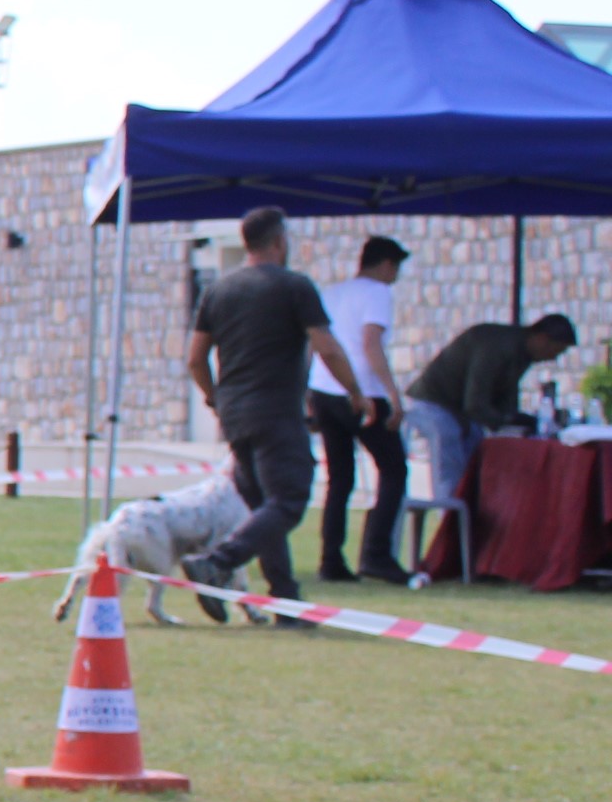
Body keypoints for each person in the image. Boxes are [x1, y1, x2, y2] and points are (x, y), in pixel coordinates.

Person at [181, 207, 369, 617]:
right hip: (276, 410)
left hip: (234, 413)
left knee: (264, 507)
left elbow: (196, 358)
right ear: (279, 241)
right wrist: (356, 390)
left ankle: (286, 603)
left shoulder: (218, 291)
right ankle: (217, 563)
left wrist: (214, 398)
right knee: (288, 499)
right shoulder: (294, 287)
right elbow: (328, 346)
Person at [406, 311, 581, 537]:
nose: (554, 357)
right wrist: (507, 421)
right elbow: (476, 402)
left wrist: (522, 420)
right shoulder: (498, 347)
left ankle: (471, 538)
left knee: (478, 466)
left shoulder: (521, 353)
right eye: (557, 350)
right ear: (542, 339)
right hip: (434, 403)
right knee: (451, 470)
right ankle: (449, 538)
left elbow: (502, 403)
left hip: (463, 412)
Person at [306, 235, 407, 584]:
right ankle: (377, 554)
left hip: (325, 388)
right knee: (394, 471)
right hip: (362, 391)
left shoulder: (333, 293)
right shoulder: (378, 293)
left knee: (340, 479)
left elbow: (315, 341)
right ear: (385, 264)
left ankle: (330, 559)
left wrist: (307, 389)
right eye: (396, 268)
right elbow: (370, 343)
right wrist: (393, 395)